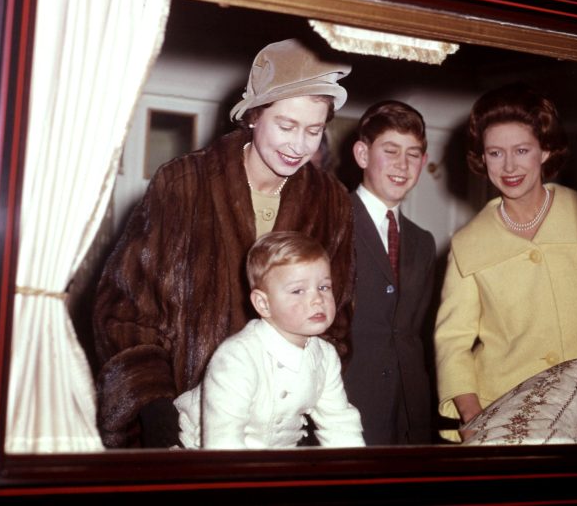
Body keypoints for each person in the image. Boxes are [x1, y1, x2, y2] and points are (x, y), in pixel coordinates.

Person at [93, 38, 356, 448]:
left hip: (280, 431)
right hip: (185, 420)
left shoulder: (332, 202)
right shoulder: (182, 184)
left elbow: (334, 319)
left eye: (313, 130)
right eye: (286, 126)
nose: (298, 145)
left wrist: (305, 397)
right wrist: (153, 406)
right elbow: (127, 307)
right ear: (253, 116)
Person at [434, 82, 577, 442]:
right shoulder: (468, 244)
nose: (509, 166)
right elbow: (452, 342)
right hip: (507, 417)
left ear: (544, 151)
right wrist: (476, 419)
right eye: (495, 153)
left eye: (522, 150)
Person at [173, 231, 365, 449]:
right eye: (298, 291)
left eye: (323, 287)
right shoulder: (237, 357)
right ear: (263, 304)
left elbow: (339, 423)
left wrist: (356, 474)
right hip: (206, 456)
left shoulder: (326, 356)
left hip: (274, 460)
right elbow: (222, 440)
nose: (317, 300)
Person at [343, 100, 437, 445]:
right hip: (344, 409)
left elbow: (413, 334)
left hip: (410, 418)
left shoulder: (423, 243)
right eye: (391, 150)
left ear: (423, 163)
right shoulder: (332, 220)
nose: (402, 165)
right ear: (362, 155)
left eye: (413, 154)